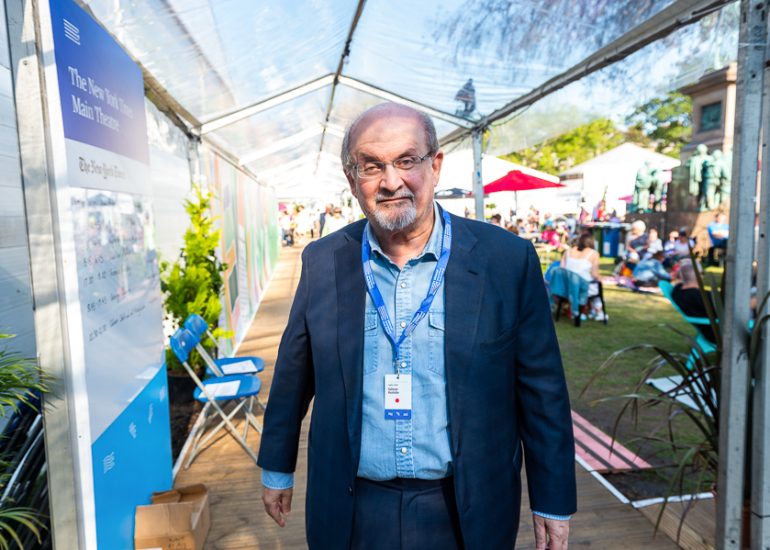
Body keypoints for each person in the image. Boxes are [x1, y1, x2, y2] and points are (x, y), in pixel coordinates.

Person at [257, 103, 576, 549]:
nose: (391, 181)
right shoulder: (323, 261)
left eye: (407, 160)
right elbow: (294, 374)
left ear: (435, 165)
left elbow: (542, 389)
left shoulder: (505, 260)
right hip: (352, 506)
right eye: (372, 166)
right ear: (351, 179)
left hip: (467, 509)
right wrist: (277, 466)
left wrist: (552, 499)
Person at [561, 232, 607, 321]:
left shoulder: (568, 251)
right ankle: (597, 312)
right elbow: (594, 274)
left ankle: (589, 311)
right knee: (596, 288)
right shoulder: (593, 253)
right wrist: (601, 279)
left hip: (565, 286)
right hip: (581, 288)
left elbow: (562, 269)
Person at [671, 260, 716, 342]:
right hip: (717, 333)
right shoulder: (704, 297)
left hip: (707, 330)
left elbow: (680, 281)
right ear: (700, 276)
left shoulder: (677, 291)